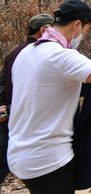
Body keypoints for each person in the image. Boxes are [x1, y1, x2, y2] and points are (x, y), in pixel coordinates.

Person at [7, 0, 91, 194]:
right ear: (76, 25)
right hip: (49, 161)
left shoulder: (24, 53)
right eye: (86, 28)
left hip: (19, 154)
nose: (83, 35)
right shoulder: (62, 56)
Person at [0, 14, 55, 183]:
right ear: (43, 30)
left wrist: (2, 106)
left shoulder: (14, 53)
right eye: (52, 28)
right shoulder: (37, 53)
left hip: (11, 114)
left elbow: (2, 81)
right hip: (25, 117)